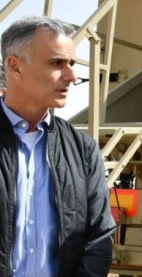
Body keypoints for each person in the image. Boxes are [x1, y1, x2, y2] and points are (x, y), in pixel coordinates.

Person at [0, 16, 116, 277]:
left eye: (72, 64)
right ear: (15, 67)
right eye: (56, 63)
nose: (72, 76)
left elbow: (99, 237)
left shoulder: (82, 150)